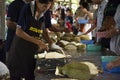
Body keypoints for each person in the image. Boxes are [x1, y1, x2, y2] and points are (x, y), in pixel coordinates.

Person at [6, 0, 52, 80]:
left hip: (33, 50)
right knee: (16, 75)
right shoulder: (27, 9)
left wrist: (51, 43)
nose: (45, 9)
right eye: (43, 6)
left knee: (31, 75)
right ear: (37, 2)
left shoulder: (46, 12)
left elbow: (44, 29)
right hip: (19, 50)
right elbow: (19, 31)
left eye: (48, 6)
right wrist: (39, 42)